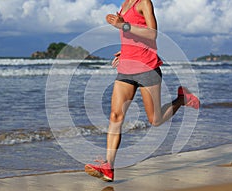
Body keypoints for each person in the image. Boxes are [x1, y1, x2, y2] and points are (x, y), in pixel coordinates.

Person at [85, 0, 200, 182]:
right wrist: (125, 51)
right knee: (115, 116)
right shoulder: (124, 5)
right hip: (126, 68)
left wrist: (122, 25)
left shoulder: (144, 2)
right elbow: (131, 35)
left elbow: (152, 34)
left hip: (147, 68)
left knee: (155, 119)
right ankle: (109, 166)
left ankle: (181, 99)